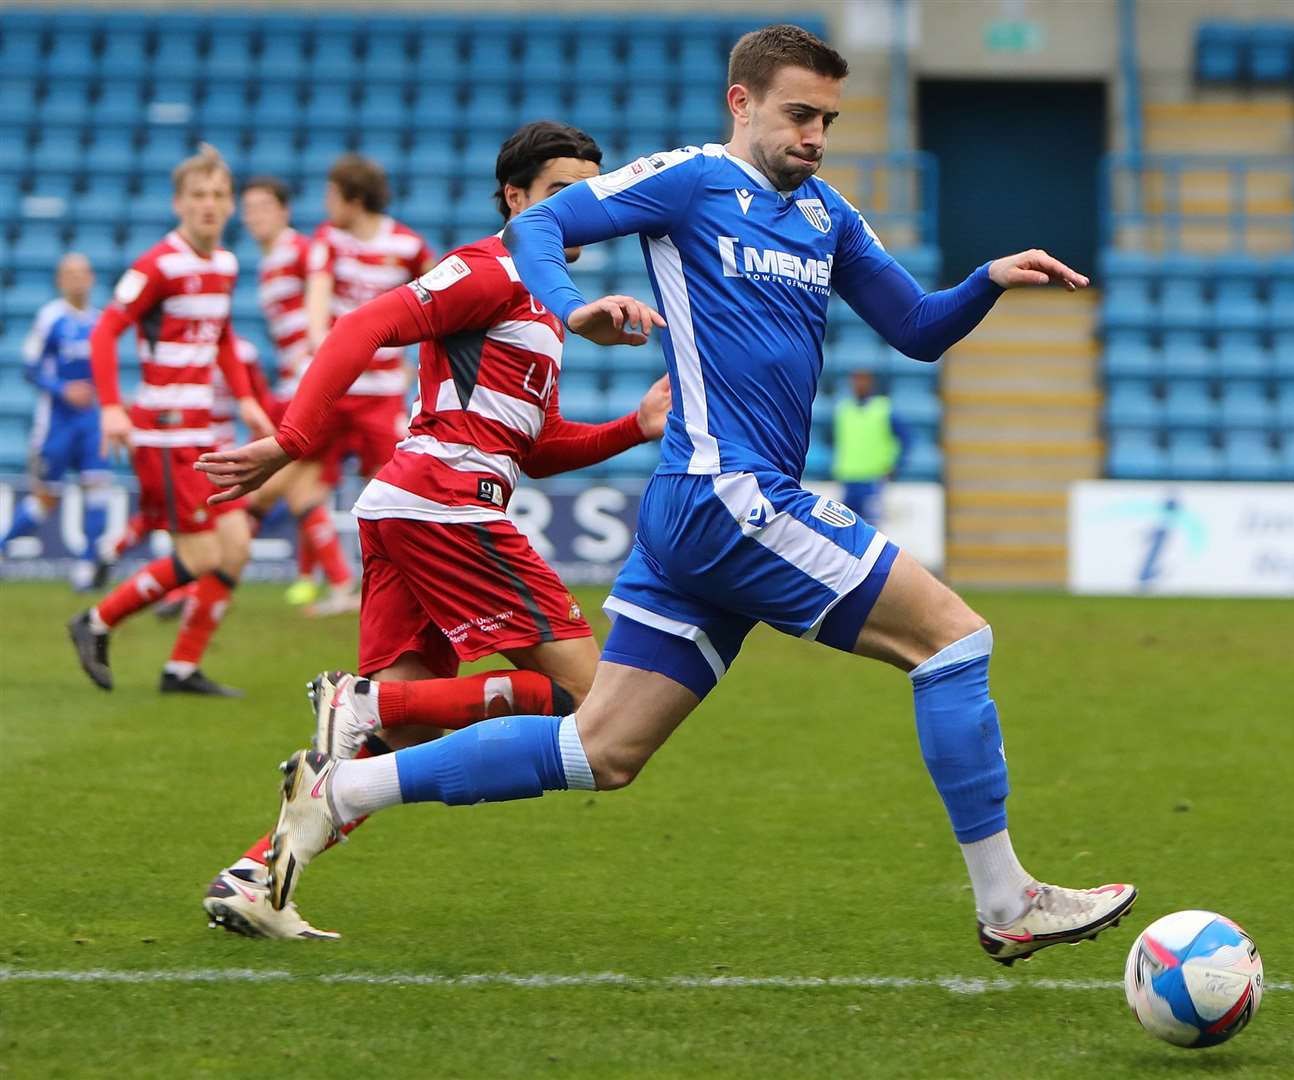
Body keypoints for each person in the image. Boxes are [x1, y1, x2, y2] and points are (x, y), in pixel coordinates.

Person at [211, 27, 1136, 963]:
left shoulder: (826, 215)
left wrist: (986, 280)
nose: (816, 135)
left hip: (701, 514)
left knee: (600, 750)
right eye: (798, 114)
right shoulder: (691, 180)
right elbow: (539, 225)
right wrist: (568, 303)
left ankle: (340, 793)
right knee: (954, 641)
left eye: (828, 119)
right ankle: (1006, 899)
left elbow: (915, 328)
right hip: (728, 492)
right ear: (742, 103)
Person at [196, 121, 670, 940]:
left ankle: (255, 878)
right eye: (562, 193)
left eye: (592, 195)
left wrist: (636, 425)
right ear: (515, 199)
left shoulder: (545, 303)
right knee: (599, 704)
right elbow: (361, 326)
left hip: (414, 507)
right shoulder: (493, 268)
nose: (582, 210)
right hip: (444, 506)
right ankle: (358, 698)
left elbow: (536, 445)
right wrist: (293, 440)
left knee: (404, 735)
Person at [67, 144, 273, 696]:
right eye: (198, 195)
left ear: (229, 205)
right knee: (202, 555)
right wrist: (112, 406)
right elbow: (105, 331)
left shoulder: (225, 264)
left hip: (201, 431)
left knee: (236, 548)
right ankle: (96, 621)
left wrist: (248, 397)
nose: (209, 205)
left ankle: (181, 668)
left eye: (218, 195)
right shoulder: (156, 265)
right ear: (179, 203)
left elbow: (223, 335)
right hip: (162, 431)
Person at [287, 154, 436, 615]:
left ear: (354, 197)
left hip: (381, 393)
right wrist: (322, 350)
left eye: (332, 195)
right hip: (336, 387)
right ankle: (340, 582)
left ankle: (409, 584)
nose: (325, 204)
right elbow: (317, 300)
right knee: (300, 484)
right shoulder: (327, 242)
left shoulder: (408, 246)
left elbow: (439, 300)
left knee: (390, 488)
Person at [238, 176, 355, 611]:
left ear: (284, 211)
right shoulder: (268, 262)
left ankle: (213, 573)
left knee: (262, 489)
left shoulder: (302, 251)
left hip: (312, 384)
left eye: (264, 206)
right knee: (302, 493)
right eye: (248, 209)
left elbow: (339, 298)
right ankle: (341, 585)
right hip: (297, 383)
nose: (255, 216)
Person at [0, 253, 113, 590]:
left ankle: (87, 567)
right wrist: (64, 389)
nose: (77, 279)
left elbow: (107, 372)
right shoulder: (49, 318)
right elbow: (30, 368)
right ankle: (3, 546)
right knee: (46, 499)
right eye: (70, 274)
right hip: (56, 425)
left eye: (82, 273)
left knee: (98, 490)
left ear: (91, 278)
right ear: (60, 281)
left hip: (91, 423)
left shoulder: (101, 321)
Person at [832, 368, 911, 523]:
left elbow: (906, 438)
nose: (859, 385)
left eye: (864, 381)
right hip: (848, 477)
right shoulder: (843, 409)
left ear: (871, 384)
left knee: (870, 528)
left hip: (873, 478)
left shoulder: (884, 409)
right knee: (846, 527)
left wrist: (896, 464)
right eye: (856, 381)